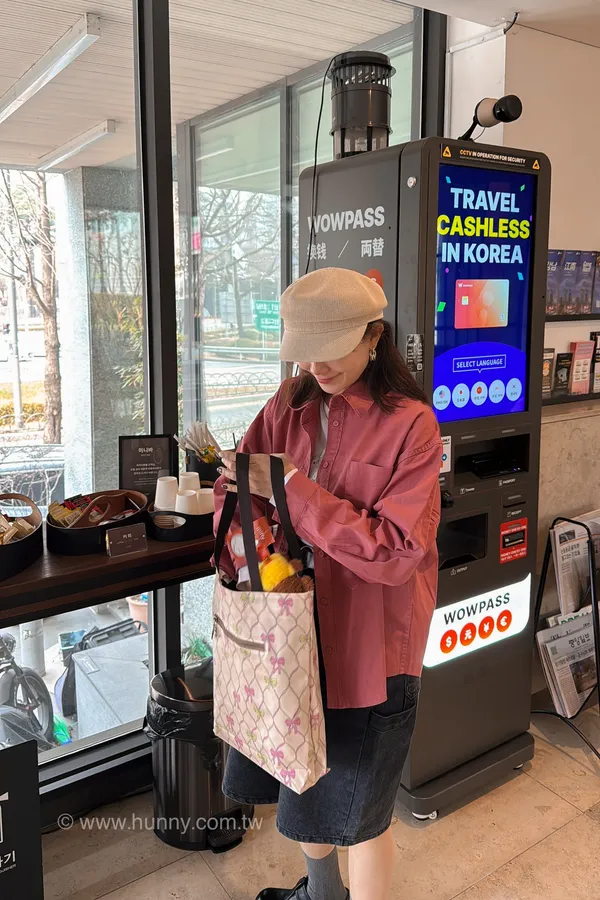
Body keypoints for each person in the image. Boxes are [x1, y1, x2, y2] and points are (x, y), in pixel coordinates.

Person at [214, 267, 442, 900]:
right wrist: (257, 544)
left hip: (370, 644)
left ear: (374, 336)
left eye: (331, 347)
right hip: (288, 631)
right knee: (304, 782)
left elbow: (396, 551)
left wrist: (292, 489)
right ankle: (322, 894)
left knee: (360, 810)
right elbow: (237, 485)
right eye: (304, 350)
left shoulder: (413, 425)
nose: (316, 365)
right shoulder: (289, 401)